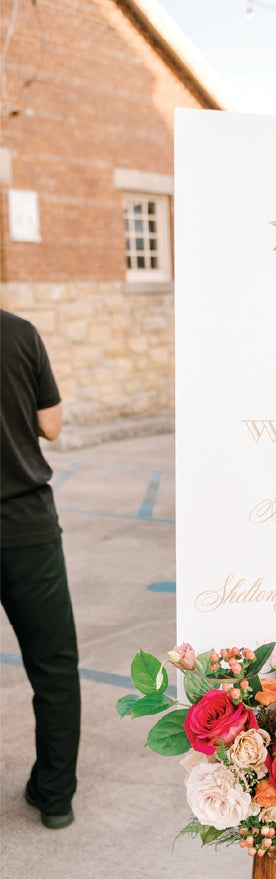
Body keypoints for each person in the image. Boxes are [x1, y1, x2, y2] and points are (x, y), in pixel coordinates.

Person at [0, 310, 80, 828]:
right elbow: (49, 425)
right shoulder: (19, 333)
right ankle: (54, 796)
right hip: (24, 525)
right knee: (52, 667)